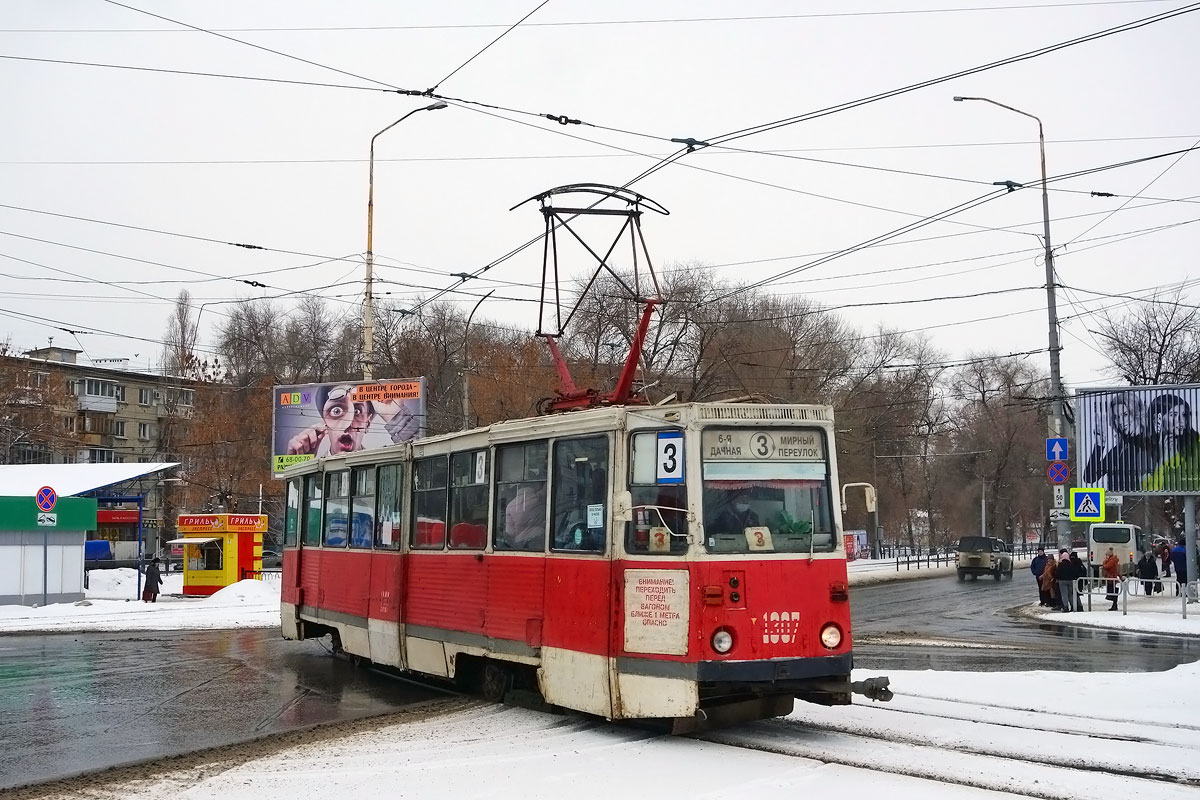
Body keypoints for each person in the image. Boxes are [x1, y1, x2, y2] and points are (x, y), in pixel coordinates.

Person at [285, 385, 420, 456]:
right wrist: (302, 466)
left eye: (357, 411)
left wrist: (397, 418)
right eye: (336, 411)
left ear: (368, 423)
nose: (347, 424)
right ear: (324, 422)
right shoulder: (315, 478)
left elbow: (419, 457)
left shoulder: (382, 470)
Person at [1083, 394, 1152, 492]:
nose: (1120, 421)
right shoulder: (1119, 449)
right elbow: (1089, 478)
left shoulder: (1152, 445)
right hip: (1118, 505)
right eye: (1116, 417)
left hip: (1144, 505)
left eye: (1125, 415)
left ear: (1136, 413)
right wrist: (1099, 445)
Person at [1143, 394, 1200, 491]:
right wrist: (1162, 458)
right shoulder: (1143, 450)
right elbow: (1152, 488)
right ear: (1158, 419)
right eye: (1173, 415)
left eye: (1183, 415)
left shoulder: (1195, 443)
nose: (1181, 421)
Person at [503, 482, 546, 551]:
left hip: (521, 542)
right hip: (540, 538)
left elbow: (510, 532)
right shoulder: (538, 498)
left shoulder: (510, 506)